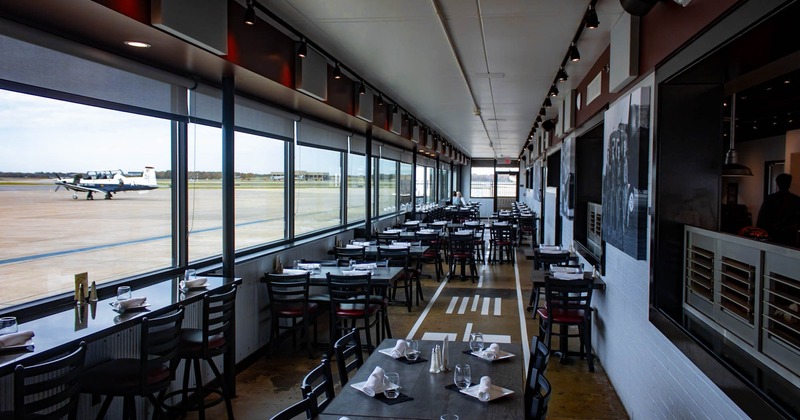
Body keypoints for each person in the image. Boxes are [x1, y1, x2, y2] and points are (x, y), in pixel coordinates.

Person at [756, 173, 800, 247]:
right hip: (789, 235)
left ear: (777, 184)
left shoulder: (770, 199)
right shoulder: (796, 199)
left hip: (772, 234)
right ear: (789, 184)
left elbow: (761, 218)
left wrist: (759, 232)